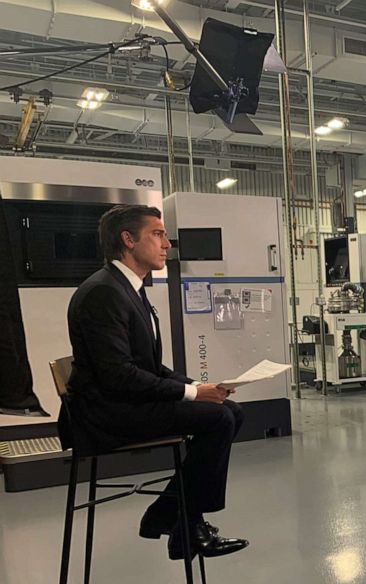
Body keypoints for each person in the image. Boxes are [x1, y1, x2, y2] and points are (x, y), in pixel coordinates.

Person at [59, 204, 248, 560]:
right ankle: (184, 523)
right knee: (219, 419)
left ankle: (173, 516)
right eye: (157, 235)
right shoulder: (104, 293)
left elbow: (149, 367)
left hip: (123, 402)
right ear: (127, 240)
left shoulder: (128, 289)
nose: (167, 245)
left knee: (230, 411)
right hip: (104, 415)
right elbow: (119, 375)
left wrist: (203, 388)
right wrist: (192, 393)